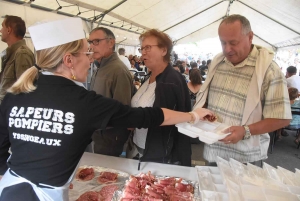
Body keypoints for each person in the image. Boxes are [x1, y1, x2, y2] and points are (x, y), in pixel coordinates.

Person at [0, 18, 214, 201]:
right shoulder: (84, 102)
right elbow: (147, 116)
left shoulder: (15, 93)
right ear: (69, 61)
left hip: (8, 189)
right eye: (86, 53)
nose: (90, 58)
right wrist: (193, 115)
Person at [194, 14, 291, 165]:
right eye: (223, 43)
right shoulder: (218, 63)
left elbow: (282, 118)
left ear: (250, 37)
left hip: (246, 158)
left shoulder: (269, 70)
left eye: (233, 42)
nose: (227, 49)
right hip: (213, 151)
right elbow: (208, 101)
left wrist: (246, 130)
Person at [127, 29, 192, 166]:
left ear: (164, 50)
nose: (143, 52)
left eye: (148, 47)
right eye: (142, 48)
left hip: (160, 155)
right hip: (141, 147)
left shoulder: (171, 81)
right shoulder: (150, 77)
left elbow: (176, 118)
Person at [88, 27, 134, 156]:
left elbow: (122, 109)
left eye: (96, 41)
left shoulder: (118, 70)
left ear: (111, 42)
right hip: (98, 131)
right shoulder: (100, 66)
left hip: (109, 134)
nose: (91, 46)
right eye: (90, 42)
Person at [0, 15, 35, 104]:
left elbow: (24, 89)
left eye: (2, 26)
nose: (1, 30)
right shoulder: (11, 53)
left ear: (9, 30)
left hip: (10, 108)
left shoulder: (22, 54)